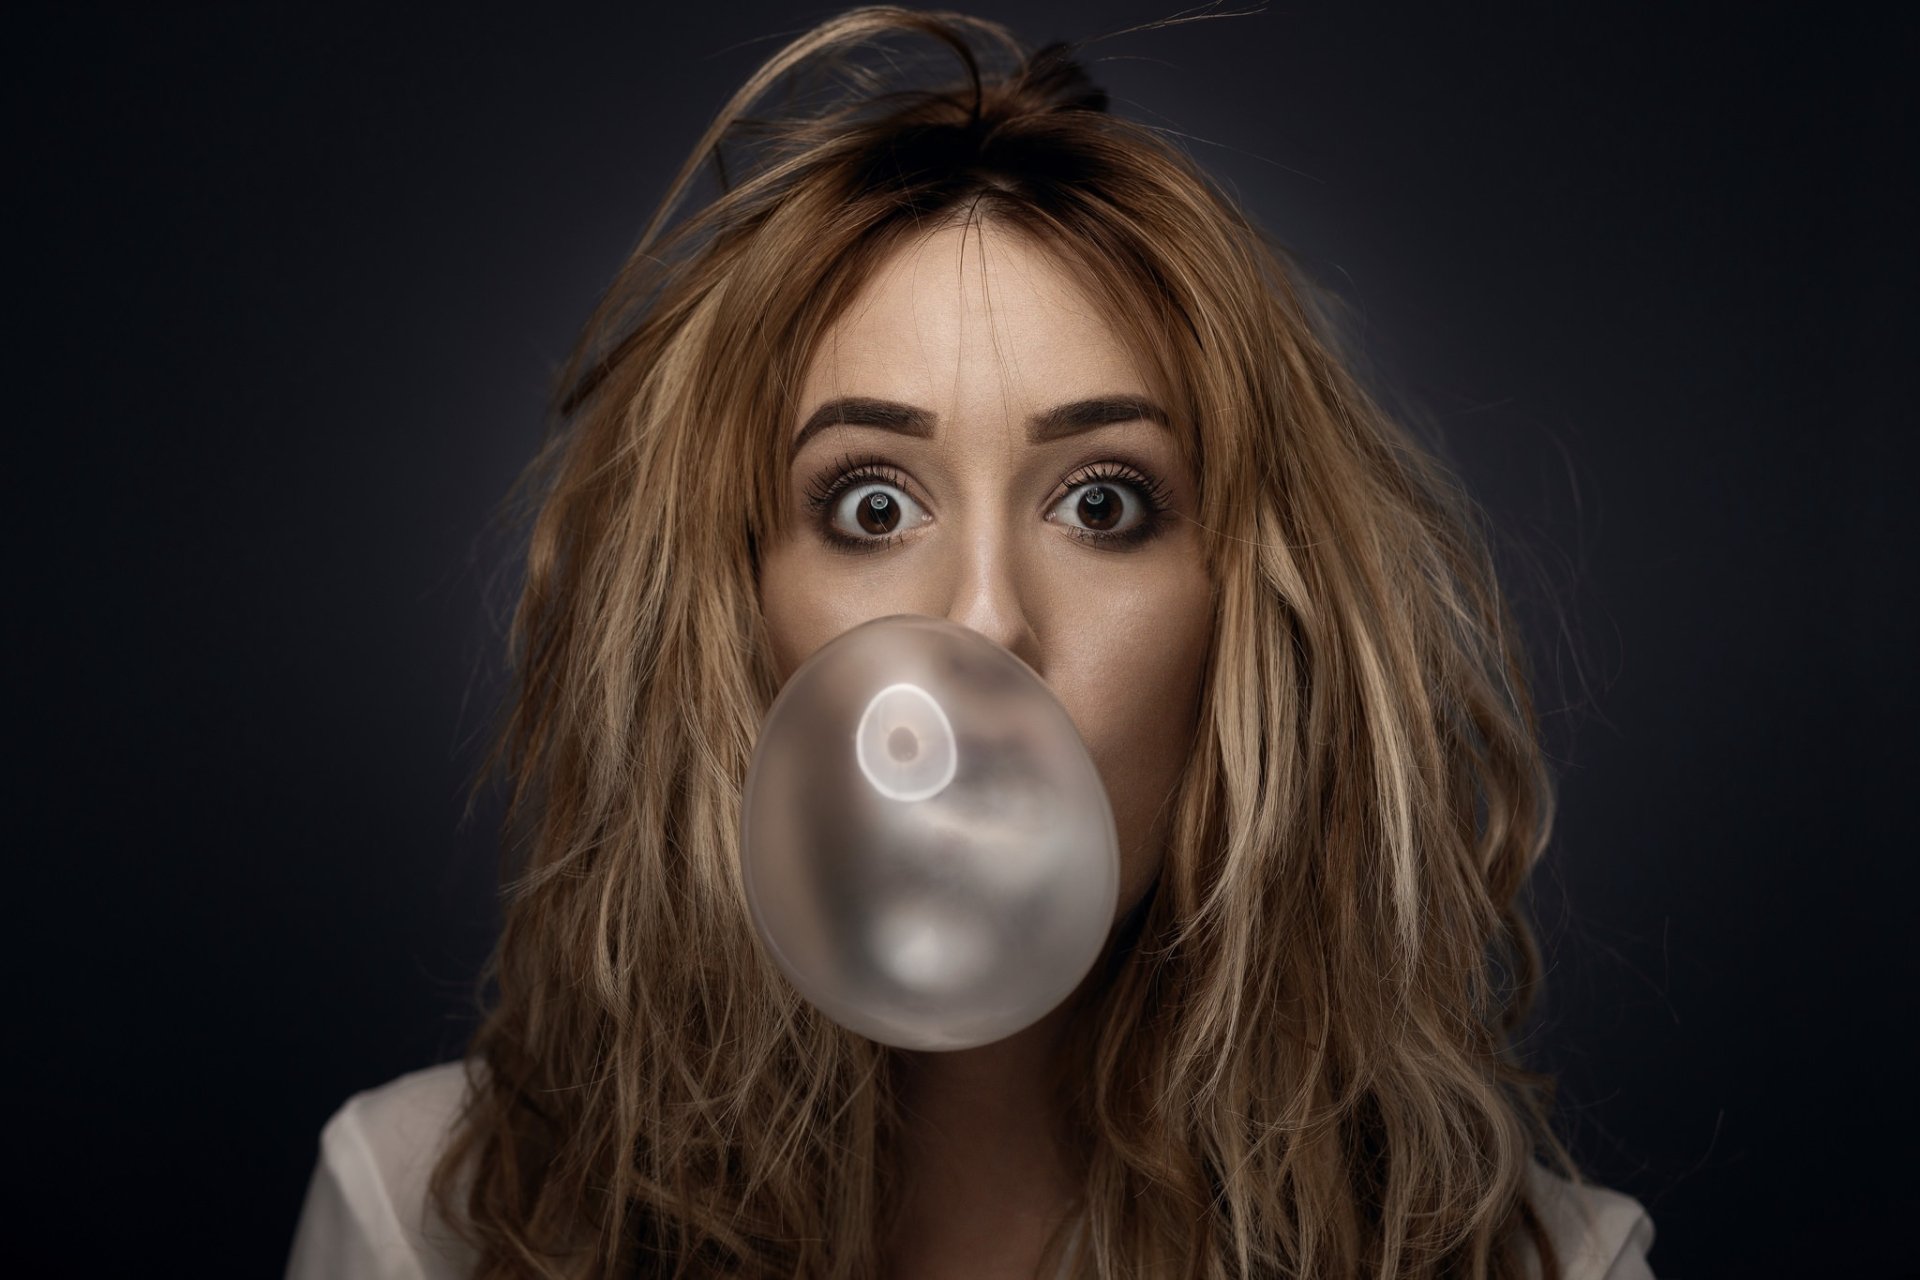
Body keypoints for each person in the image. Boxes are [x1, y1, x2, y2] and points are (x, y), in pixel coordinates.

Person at [285, 7, 1658, 1278]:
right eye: (872, 504)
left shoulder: (1548, 1266)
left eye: (1104, 502)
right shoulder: (432, 1223)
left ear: (1246, 610)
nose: (986, 619)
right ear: (739, 610)